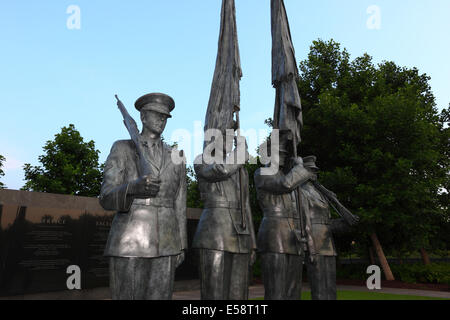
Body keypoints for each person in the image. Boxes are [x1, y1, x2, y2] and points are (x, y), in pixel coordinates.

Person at [99, 93, 187, 300]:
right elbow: (106, 197)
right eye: (156, 115)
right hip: (130, 240)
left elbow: (180, 202)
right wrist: (132, 188)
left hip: (167, 241)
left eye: (165, 117)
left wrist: (182, 244)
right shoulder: (122, 148)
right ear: (143, 117)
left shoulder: (177, 156)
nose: (161, 120)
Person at [192, 132, 257, 300]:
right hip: (215, 233)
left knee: (239, 295)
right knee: (215, 293)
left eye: (230, 138)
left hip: (241, 235)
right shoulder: (202, 160)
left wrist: (253, 243)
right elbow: (222, 170)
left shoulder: (241, 170)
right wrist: (240, 153)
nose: (228, 142)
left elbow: (246, 206)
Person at [254, 132, 315, 300]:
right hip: (274, 235)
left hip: (293, 236)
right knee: (276, 290)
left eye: (282, 154)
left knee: (293, 290)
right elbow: (285, 185)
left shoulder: (288, 176)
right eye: (276, 153)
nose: (280, 157)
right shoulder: (262, 173)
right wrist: (299, 168)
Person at [300, 155, 354, 300]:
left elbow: (326, 221)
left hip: (328, 243)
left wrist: (342, 224)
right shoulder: (301, 192)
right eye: (311, 170)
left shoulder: (322, 194)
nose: (314, 174)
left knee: (330, 286)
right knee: (319, 286)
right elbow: (303, 221)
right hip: (314, 242)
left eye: (315, 171)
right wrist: (309, 247)